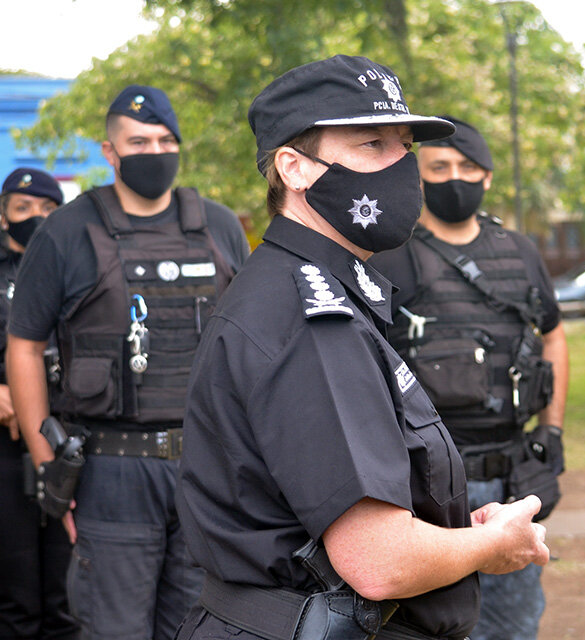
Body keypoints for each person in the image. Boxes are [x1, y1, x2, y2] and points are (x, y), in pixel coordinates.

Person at [174, 55, 550, 640]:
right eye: (372, 144)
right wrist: (491, 544)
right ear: (294, 169)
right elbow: (379, 560)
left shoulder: (323, 294)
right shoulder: (308, 317)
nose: (400, 166)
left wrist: (455, 531)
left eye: (402, 145)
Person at [5, 85, 249, 640]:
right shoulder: (66, 231)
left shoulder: (218, 226)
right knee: (114, 629)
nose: (154, 151)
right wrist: (49, 466)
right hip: (112, 471)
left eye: (166, 140)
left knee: (202, 627)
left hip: (206, 471)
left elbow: (251, 342)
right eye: (138, 141)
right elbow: (24, 344)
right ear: (109, 152)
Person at [367, 115, 568, 640]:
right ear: (417, 175)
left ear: (488, 177)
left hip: (510, 475)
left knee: (515, 625)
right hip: (426, 484)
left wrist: (553, 429)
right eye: (439, 166)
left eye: (467, 166)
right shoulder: (389, 255)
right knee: (432, 626)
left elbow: (554, 335)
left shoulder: (521, 253)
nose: (454, 177)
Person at [0, 168, 78, 639]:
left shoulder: (75, 269)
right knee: (15, 590)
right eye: (23, 208)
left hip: (67, 440)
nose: (35, 218)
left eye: (48, 209)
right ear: (4, 215)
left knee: (66, 593)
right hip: (7, 450)